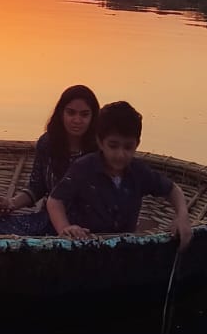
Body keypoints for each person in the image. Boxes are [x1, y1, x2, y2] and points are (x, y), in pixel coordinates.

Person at [46, 99, 193, 249]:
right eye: (113, 146)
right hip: (85, 246)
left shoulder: (139, 172)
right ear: (100, 142)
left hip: (125, 247)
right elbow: (55, 201)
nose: (120, 154)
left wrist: (182, 216)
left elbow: (173, 190)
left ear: (137, 144)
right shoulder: (83, 168)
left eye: (128, 147)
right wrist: (65, 228)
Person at [0, 84, 100, 237]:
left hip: (89, 223)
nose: (77, 120)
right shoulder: (47, 143)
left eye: (84, 115)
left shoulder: (99, 149)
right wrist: (11, 203)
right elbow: (36, 187)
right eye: (71, 113)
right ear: (61, 113)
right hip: (50, 220)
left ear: (93, 118)